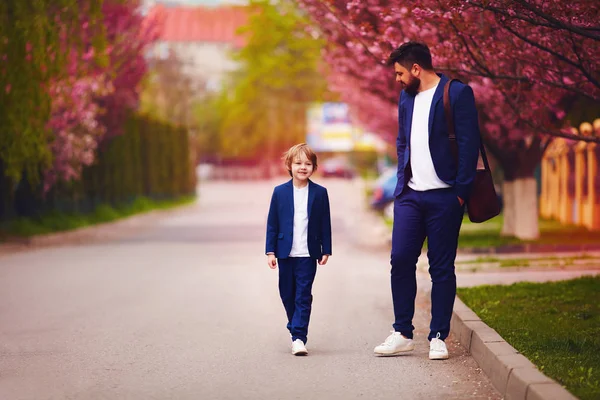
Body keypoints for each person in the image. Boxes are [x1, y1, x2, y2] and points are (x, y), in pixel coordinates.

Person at [373, 42, 481, 360]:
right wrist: (401, 184)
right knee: (401, 260)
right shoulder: (406, 98)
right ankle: (403, 332)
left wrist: (460, 192)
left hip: (445, 196)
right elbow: (402, 139)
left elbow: (469, 141)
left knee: (441, 267)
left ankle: (438, 336)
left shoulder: (457, 93)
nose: (397, 79)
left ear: (417, 69)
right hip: (410, 196)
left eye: (400, 73)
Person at [265, 143, 332, 356]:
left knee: (303, 295)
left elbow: (325, 223)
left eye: (307, 163)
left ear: (313, 167)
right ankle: (294, 325)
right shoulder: (280, 192)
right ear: (289, 165)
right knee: (287, 294)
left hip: (308, 253)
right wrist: (270, 251)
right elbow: (272, 223)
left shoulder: (320, 193)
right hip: (285, 253)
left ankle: (299, 337)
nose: (303, 167)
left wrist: (326, 249)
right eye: (298, 163)